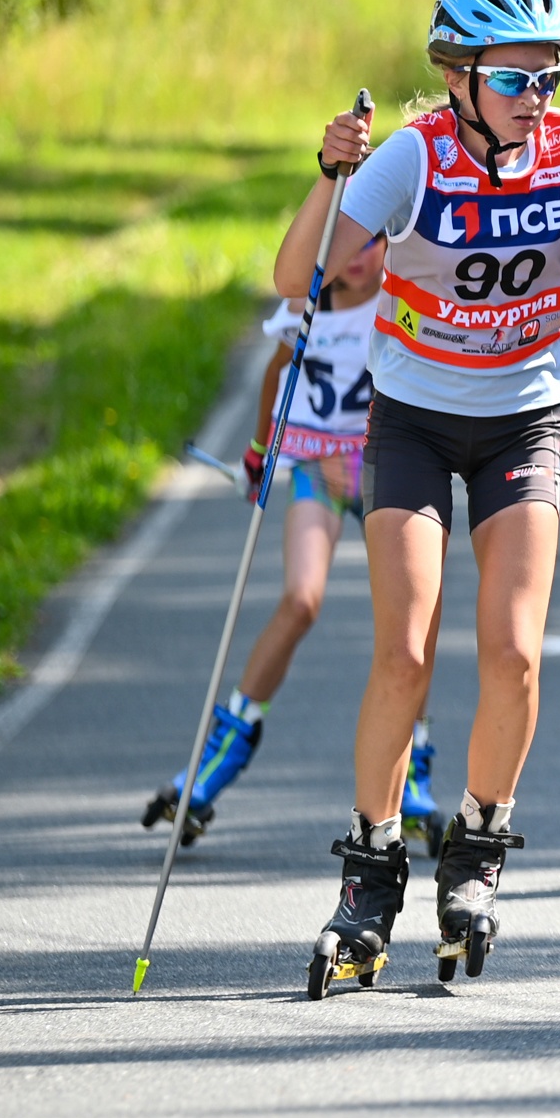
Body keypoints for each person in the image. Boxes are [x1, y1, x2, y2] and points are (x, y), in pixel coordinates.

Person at [281, 0, 560, 992]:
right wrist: (326, 174)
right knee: (405, 647)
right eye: (517, 76)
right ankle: (373, 863)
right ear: (459, 78)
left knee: (516, 654)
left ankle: (477, 849)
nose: (538, 93)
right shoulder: (414, 157)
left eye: (552, 72)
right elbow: (297, 277)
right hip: (415, 423)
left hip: (523, 419)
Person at [141, 232, 446, 856]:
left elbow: (428, 372)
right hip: (315, 469)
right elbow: (275, 377)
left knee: (412, 621)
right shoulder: (306, 307)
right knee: (300, 601)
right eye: (346, 246)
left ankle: (412, 769)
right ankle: (217, 759)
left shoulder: (398, 297)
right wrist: (258, 453)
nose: (358, 259)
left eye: (372, 244)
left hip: (384, 471)